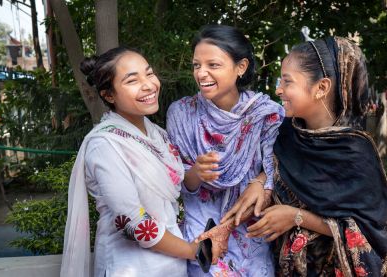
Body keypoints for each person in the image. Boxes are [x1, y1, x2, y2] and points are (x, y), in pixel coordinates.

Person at [246, 37, 387, 276]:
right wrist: (260, 182)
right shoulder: (284, 134)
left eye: (288, 82)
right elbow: (273, 172)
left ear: (322, 88)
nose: (279, 90)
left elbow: (371, 231)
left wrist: (296, 217)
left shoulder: (355, 151)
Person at [60, 47, 198, 277]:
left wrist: (199, 172)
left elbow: (174, 191)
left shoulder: (158, 135)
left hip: (173, 265)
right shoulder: (105, 144)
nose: (148, 85)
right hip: (130, 267)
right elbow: (134, 223)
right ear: (109, 95)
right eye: (132, 80)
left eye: (149, 73)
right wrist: (192, 251)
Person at [166, 25, 284, 276]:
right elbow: (180, 183)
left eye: (213, 65)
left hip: (251, 230)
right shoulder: (182, 114)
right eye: (197, 65)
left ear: (240, 67)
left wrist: (261, 181)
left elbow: (278, 165)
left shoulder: (264, 113)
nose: (202, 73)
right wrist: (196, 172)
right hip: (204, 233)